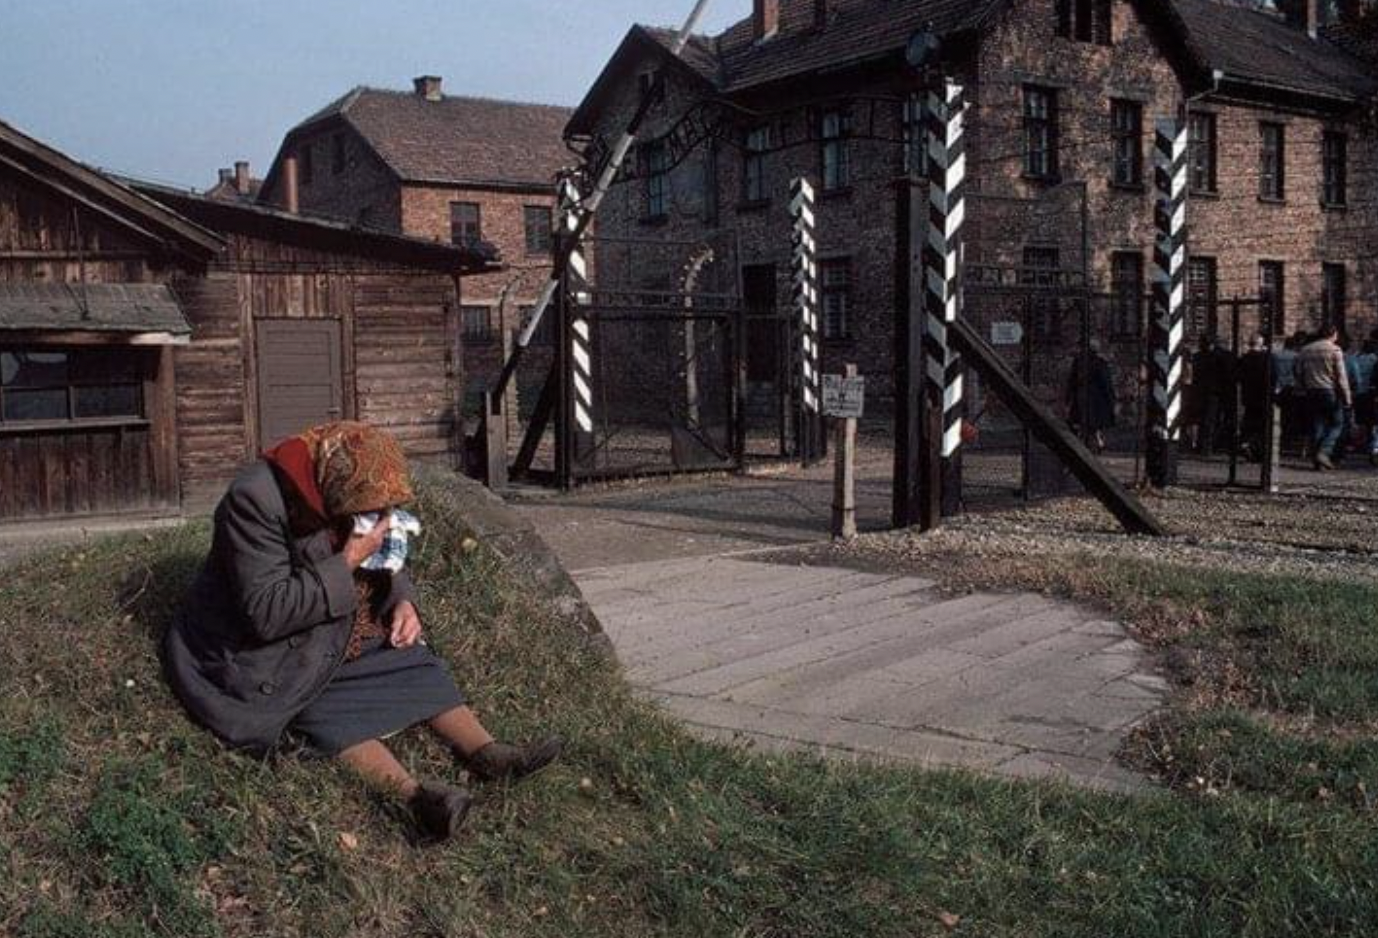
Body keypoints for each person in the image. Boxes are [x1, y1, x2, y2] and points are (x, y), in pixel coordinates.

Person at [163, 421, 562, 840]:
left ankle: (490, 755)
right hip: (252, 645)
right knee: (310, 698)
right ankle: (418, 801)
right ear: (335, 490)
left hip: (322, 622)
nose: (379, 518)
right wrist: (349, 559)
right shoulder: (255, 501)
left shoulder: (345, 483)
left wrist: (401, 601)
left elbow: (387, 550)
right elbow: (266, 612)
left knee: (411, 660)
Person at [1293, 325, 1352, 470]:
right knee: (1337, 423)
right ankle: (1324, 452)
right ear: (1334, 334)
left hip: (1311, 391)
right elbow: (1341, 377)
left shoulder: (1305, 350)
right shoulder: (1335, 350)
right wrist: (1347, 397)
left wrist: (1302, 386)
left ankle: (1317, 461)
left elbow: (1297, 371)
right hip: (1329, 391)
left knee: (1317, 425)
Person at [1066, 339, 1116, 452]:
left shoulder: (1079, 361)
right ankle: (1094, 444)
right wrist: (1110, 398)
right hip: (1094, 399)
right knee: (1090, 424)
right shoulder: (1099, 362)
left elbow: (1072, 381)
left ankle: (1088, 444)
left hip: (1084, 396)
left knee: (1084, 423)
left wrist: (1069, 396)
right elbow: (1106, 383)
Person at [1191, 334, 1236, 457]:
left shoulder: (1197, 357)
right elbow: (1227, 374)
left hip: (1200, 391)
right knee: (1211, 420)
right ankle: (1208, 447)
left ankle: (1200, 445)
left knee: (1201, 419)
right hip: (1215, 392)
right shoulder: (1219, 357)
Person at [1237, 335, 1271, 461]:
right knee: (1262, 425)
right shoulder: (1265, 358)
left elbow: (1239, 376)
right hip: (1262, 395)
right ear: (1261, 344)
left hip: (1248, 395)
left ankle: (1245, 442)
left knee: (1249, 421)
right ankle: (1257, 450)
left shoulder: (1244, 358)